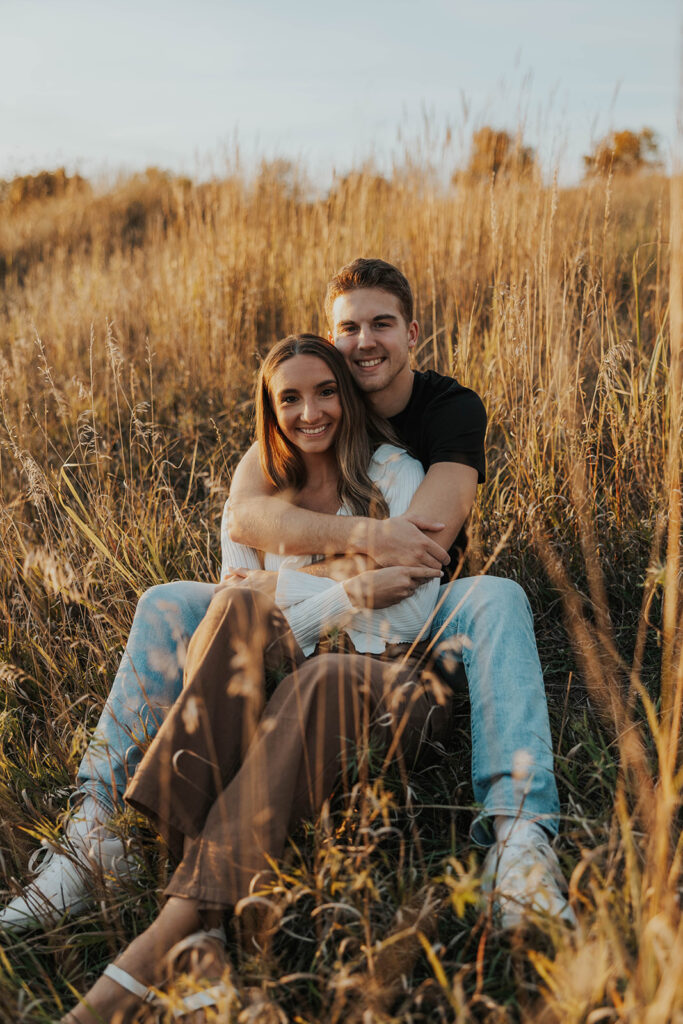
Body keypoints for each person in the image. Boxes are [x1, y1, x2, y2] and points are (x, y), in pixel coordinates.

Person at [1, 258, 573, 938]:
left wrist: (285, 584)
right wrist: (357, 554)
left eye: (380, 324)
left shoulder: (441, 416)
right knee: (165, 600)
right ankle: (94, 830)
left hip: (424, 612)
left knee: (498, 595)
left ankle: (518, 838)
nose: (364, 341)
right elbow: (243, 538)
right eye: (348, 327)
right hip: (327, 614)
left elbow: (421, 551)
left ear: (411, 332)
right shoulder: (267, 456)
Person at [60, 333, 446, 1022]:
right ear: (270, 409)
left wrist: (287, 585)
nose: (310, 413)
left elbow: (412, 607)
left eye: (325, 391)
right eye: (289, 398)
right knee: (237, 606)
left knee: (319, 667)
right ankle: (202, 934)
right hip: (292, 670)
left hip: (396, 682)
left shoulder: (395, 474)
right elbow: (240, 605)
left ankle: (163, 938)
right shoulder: (259, 486)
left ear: (347, 395)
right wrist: (350, 590)